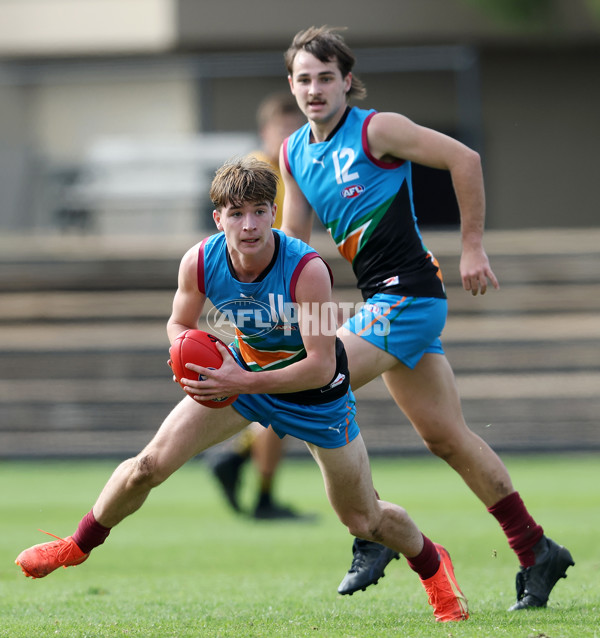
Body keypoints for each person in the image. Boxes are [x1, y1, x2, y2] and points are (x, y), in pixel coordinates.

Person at [14, 156, 469, 623]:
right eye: (236, 213)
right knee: (146, 467)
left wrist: (240, 379)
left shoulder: (306, 271)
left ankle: (434, 566)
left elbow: (319, 365)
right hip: (244, 377)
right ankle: (77, 545)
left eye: (258, 211)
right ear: (219, 218)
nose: (248, 225)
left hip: (317, 399)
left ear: (273, 212)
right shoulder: (200, 261)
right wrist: (187, 354)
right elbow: (178, 323)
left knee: (363, 520)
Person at [279, 25, 574, 610]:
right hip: (380, 301)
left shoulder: (376, 129)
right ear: (291, 85)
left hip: (409, 296)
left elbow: (463, 158)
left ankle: (370, 532)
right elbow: (295, 245)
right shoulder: (293, 152)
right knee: (447, 438)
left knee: (316, 385)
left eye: (325, 78)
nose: (315, 89)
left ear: (347, 82)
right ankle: (537, 550)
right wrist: (283, 313)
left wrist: (472, 247)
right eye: (304, 79)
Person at [206, 93, 309, 519]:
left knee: (283, 386)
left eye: (294, 130)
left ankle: (239, 458)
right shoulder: (260, 174)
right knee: (282, 385)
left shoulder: (295, 170)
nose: (287, 137)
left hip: (281, 288)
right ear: (265, 132)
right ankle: (256, 485)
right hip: (265, 293)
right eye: (280, 129)